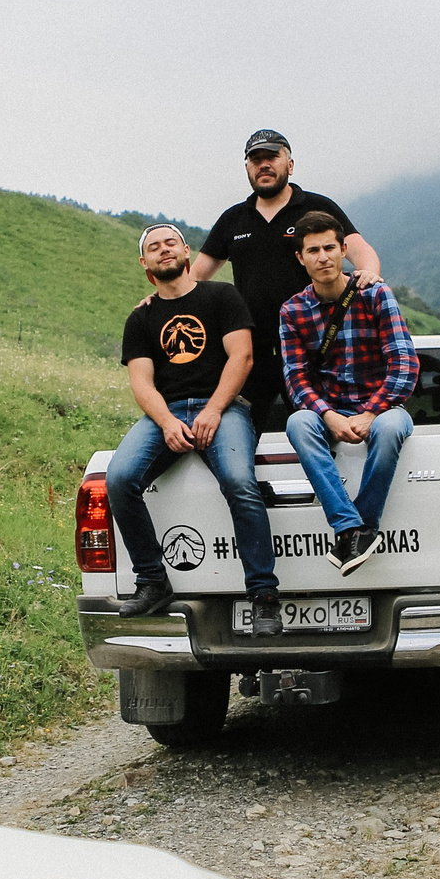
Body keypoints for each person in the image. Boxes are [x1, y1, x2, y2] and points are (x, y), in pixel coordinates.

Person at [105, 223, 284, 634]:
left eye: (171, 243)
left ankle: (263, 596)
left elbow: (242, 358)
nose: (163, 250)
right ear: (144, 263)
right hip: (165, 413)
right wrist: (167, 422)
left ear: (187, 251)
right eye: (154, 247)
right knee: (119, 478)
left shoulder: (222, 296)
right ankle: (152, 580)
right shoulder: (141, 318)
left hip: (222, 410)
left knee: (241, 482)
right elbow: (141, 383)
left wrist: (214, 411)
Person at [187, 129, 381, 437]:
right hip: (253, 354)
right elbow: (194, 277)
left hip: (316, 349)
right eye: (255, 159)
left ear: (289, 164)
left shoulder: (318, 207)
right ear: (247, 168)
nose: (263, 164)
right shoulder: (234, 219)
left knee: (326, 438)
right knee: (245, 441)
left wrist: (369, 273)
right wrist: (158, 299)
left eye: (271, 157)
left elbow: (358, 251)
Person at [277, 212, 419, 576]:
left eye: (329, 248)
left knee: (389, 430)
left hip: (384, 405)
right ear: (300, 258)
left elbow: (405, 364)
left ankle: (359, 527)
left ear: (343, 250)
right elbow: (296, 379)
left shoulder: (374, 294)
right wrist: (329, 415)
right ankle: (350, 526)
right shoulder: (292, 311)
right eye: (313, 250)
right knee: (298, 423)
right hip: (331, 409)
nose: (323, 257)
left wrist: (370, 413)